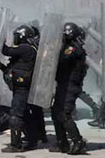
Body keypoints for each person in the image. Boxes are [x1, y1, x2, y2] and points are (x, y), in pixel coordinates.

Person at [50, 22, 87, 154]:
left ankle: (78, 142)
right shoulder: (68, 47)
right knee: (56, 113)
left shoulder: (74, 48)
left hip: (70, 86)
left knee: (64, 114)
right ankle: (62, 143)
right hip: (63, 85)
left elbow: (63, 59)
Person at [0, 25, 38, 153]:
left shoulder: (26, 48)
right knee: (25, 115)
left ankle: (16, 145)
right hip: (21, 87)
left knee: (15, 116)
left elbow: (6, 51)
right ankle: (32, 140)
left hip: (22, 88)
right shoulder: (29, 49)